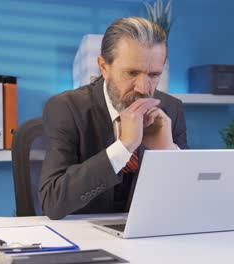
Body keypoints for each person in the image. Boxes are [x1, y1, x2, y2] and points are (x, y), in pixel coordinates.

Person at [39, 17, 188, 220]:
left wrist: (168, 153)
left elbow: (189, 202)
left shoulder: (170, 109)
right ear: (103, 67)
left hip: (147, 238)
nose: (143, 89)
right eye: (132, 73)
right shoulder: (67, 108)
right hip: (84, 238)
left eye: (154, 75)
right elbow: (52, 203)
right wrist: (124, 147)